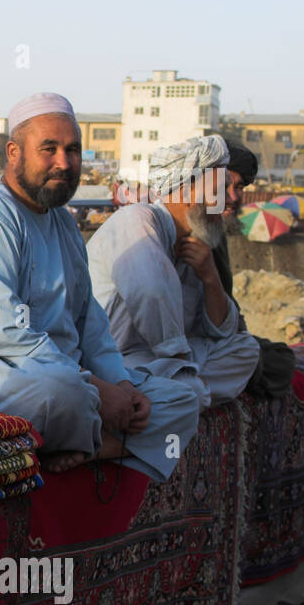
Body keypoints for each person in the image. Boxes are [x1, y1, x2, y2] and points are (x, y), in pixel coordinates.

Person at [0, 92, 200, 478]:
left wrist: (120, 384)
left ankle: (90, 446)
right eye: (49, 149)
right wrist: (96, 386)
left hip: (62, 374)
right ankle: (92, 437)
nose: (64, 163)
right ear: (13, 152)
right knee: (63, 392)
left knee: (184, 395)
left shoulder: (63, 222)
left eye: (73, 150)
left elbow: (89, 321)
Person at [87, 136, 260, 410]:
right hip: (115, 360)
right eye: (220, 189)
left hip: (158, 361)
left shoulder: (199, 241)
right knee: (186, 388)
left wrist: (210, 277)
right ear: (188, 190)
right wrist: (179, 363)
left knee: (246, 351)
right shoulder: (138, 219)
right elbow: (151, 292)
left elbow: (224, 333)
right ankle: (177, 395)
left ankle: (175, 395)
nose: (228, 199)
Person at [214, 137, 297, 397]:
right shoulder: (192, 232)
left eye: (238, 188)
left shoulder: (215, 231)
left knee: (280, 356)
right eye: (226, 187)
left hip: (222, 336)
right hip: (200, 343)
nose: (234, 197)